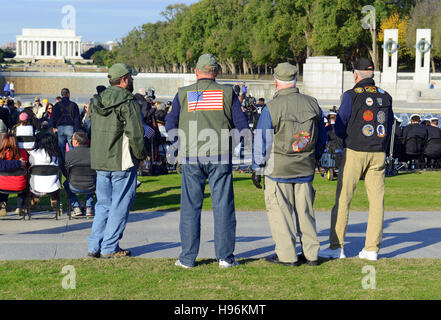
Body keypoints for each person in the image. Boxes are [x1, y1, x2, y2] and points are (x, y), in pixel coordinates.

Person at [165, 53, 249, 269]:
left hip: (191, 156)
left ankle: (187, 258)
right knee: (223, 207)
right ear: (216, 72)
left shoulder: (183, 94)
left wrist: (179, 144)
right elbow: (242, 127)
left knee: (190, 208)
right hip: (219, 155)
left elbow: (170, 123)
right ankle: (225, 257)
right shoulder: (227, 92)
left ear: (196, 72)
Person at [251, 62, 327, 266]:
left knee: (280, 215)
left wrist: (257, 168)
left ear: (276, 82)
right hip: (305, 166)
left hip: (279, 169)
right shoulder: (312, 103)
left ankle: (287, 256)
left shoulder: (271, 107)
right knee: (306, 214)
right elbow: (321, 138)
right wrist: (314, 157)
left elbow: (262, 142)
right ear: (295, 80)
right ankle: (311, 254)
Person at [319, 57, 394, 261]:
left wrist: (345, 139)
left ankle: (337, 246)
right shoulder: (385, 96)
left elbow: (340, 123)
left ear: (355, 75)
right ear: (372, 74)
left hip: (355, 151)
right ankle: (371, 249)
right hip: (378, 152)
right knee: (377, 202)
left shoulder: (351, 95)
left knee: (343, 199)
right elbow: (390, 124)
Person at [87, 63, 146, 259]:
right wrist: (140, 156)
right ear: (124, 79)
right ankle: (109, 247)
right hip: (122, 161)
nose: (133, 81)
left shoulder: (97, 101)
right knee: (119, 205)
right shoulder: (128, 103)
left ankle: (95, 245)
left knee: (103, 204)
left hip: (101, 160)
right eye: (131, 77)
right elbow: (136, 134)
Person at [63, 131, 96, 217]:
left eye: (72, 139)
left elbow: (67, 172)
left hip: (74, 185)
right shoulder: (94, 153)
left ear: (76, 142)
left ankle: (76, 207)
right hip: (91, 185)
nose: (71, 141)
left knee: (66, 183)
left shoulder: (69, 154)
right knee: (93, 179)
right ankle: (89, 206)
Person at [28, 132, 62, 211]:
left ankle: (34, 199)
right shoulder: (56, 155)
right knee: (57, 175)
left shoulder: (33, 154)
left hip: (36, 184)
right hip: (53, 185)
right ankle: (54, 200)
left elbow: (30, 164)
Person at [0, 134, 29, 216]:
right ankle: (20, 207)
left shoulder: (1, 153)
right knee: (23, 182)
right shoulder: (22, 152)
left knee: (5, 181)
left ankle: (2, 205)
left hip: (2, 185)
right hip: (19, 185)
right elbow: (26, 166)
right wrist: (19, 163)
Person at [51, 88, 81, 158]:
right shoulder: (74, 105)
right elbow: (77, 119)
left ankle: (63, 163)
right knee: (71, 146)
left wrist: (53, 127)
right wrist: (76, 130)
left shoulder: (56, 105)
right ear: (68, 94)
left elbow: (52, 117)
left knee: (61, 148)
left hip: (60, 128)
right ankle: (70, 161)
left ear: (61, 95)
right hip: (70, 128)